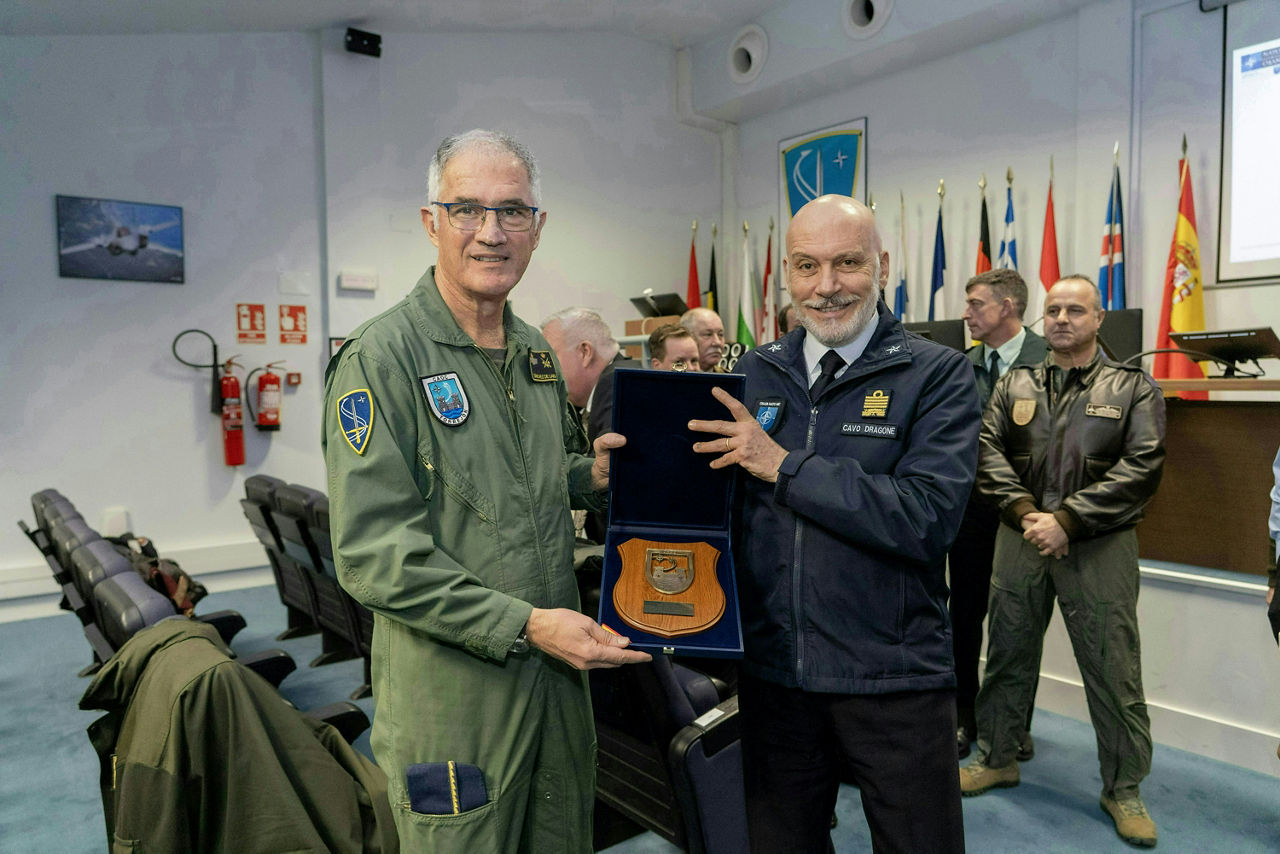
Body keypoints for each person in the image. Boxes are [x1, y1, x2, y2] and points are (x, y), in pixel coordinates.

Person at [322, 129, 650, 853]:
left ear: (538, 228)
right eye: (466, 209)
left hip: (557, 683)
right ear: (430, 221)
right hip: (455, 697)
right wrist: (529, 625)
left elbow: (536, 478)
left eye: (513, 212)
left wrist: (590, 478)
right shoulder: (382, 359)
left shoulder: (535, 350)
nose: (491, 232)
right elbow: (375, 557)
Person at [689, 194, 978, 852]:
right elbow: (717, 511)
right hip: (774, 675)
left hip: (893, 678)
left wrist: (786, 467)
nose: (826, 287)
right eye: (807, 267)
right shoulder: (752, 371)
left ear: (881, 264)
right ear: (786, 275)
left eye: (847, 263)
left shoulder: (938, 375)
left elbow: (926, 516)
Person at [960, 275, 1166, 849]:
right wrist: (1030, 514)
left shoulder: (1133, 388)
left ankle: (1123, 788)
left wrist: (1068, 521)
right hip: (1020, 537)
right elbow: (988, 450)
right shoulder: (1016, 382)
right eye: (1053, 310)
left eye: (1076, 310)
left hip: (1098, 544)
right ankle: (997, 756)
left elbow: (1142, 468)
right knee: (1007, 653)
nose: (1061, 319)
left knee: (1113, 668)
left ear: (1099, 320)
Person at [951, 268, 1047, 759]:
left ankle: (1012, 722)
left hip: (1025, 513)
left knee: (1020, 620)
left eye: (975, 303)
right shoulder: (958, 365)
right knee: (963, 615)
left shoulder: (1047, 360)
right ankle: (963, 714)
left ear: (1007, 306)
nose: (965, 313)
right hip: (967, 509)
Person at [541, 307, 638, 444]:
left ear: (585, 352)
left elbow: (607, 463)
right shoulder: (609, 388)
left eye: (550, 356)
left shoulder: (622, 387)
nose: (544, 368)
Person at [680, 306, 727, 372]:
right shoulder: (673, 379)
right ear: (687, 338)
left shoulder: (730, 379)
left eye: (720, 335)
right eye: (708, 334)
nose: (717, 342)